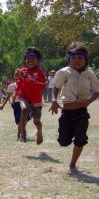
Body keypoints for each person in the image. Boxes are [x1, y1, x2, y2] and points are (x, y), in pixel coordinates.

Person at [49, 42, 99, 171]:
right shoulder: (64, 72)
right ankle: (67, 135)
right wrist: (54, 100)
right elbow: (56, 87)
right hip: (67, 112)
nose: (76, 61)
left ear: (85, 59)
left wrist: (88, 101)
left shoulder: (90, 74)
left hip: (82, 112)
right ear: (69, 59)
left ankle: (72, 164)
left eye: (80, 58)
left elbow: (97, 91)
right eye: (73, 58)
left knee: (80, 138)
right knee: (64, 142)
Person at [16, 47, 46, 143]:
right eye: (28, 58)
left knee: (36, 121)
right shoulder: (23, 70)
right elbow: (20, 83)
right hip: (24, 97)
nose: (30, 60)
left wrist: (29, 79)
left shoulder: (40, 72)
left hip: (36, 100)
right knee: (24, 109)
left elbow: (41, 86)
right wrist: (17, 92)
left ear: (37, 60)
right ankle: (23, 132)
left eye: (33, 58)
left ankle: (39, 131)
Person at [0, 69, 30, 140]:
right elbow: (8, 96)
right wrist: (3, 105)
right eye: (15, 75)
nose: (17, 77)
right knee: (19, 121)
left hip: (24, 103)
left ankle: (19, 135)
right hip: (15, 105)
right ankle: (21, 134)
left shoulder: (25, 83)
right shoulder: (11, 86)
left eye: (18, 75)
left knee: (21, 121)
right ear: (14, 76)